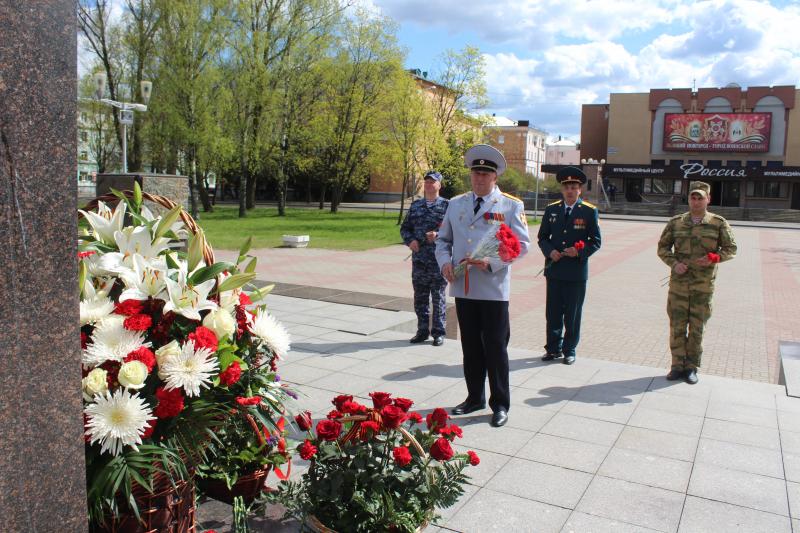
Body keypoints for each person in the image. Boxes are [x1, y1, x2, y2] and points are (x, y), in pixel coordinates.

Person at [436, 144, 530, 428]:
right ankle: (474, 397)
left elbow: (522, 246)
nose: (479, 178)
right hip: (464, 287)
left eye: (485, 173)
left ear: (495, 177)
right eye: (475, 172)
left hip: (492, 289)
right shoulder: (456, 203)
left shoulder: (511, 205)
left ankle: (500, 403)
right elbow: (443, 241)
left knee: (496, 348)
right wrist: (444, 264)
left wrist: (491, 262)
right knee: (471, 347)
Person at [657, 181, 737, 384]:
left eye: (700, 197)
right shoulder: (676, 222)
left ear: (708, 199)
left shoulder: (718, 223)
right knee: (676, 326)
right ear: (689, 199)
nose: (696, 201)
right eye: (693, 197)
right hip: (679, 287)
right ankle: (676, 366)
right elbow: (663, 248)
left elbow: (731, 249)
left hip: (703, 287)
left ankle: (691, 367)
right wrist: (674, 264)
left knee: (697, 328)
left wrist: (713, 258)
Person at [537, 166, 601, 365]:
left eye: (574, 187)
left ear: (580, 189)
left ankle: (569, 349)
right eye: (567, 187)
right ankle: (553, 348)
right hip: (554, 270)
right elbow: (542, 237)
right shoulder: (551, 209)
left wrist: (579, 251)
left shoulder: (589, 211)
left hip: (575, 273)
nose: (570, 190)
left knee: (572, 314)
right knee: (553, 312)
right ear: (562, 190)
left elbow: (595, 241)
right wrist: (550, 252)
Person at [400, 171, 449, 346]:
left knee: (438, 297)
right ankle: (422, 331)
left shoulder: (447, 206)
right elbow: (405, 228)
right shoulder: (416, 206)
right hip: (420, 260)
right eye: (426, 181)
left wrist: (438, 234)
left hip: (439, 260)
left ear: (439, 185)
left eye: (432, 182)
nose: (429, 184)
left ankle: (438, 332)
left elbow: (454, 231)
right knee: (420, 297)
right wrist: (410, 241)